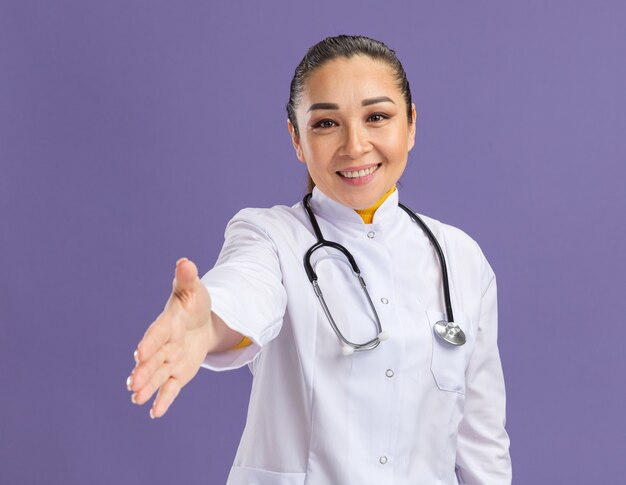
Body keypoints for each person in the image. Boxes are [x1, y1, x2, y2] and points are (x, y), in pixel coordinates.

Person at [126, 35, 512, 484]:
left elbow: (483, 443)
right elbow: (245, 288)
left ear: (410, 125)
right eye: (327, 123)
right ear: (297, 139)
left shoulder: (460, 258)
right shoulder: (270, 236)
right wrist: (208, 323)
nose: (355, 145)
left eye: (377, 117)